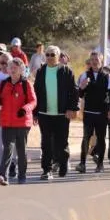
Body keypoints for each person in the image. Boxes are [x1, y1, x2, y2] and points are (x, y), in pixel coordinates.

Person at [33, 45, 79, 179]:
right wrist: (35, 112)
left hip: (62, 114)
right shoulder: (41, 71)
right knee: (45, 143)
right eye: (47, 55)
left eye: (52, 55)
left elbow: (74, 92)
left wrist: (72, 108)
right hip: (44, 114)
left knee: (61, 142)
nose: (49, 57)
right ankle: (46, 170)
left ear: (58, 56)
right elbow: (36, 92)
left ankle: (63, 162)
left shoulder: (66, 71)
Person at [0, 57, 37, 186]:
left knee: (21, 149)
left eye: (15, 67)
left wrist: (25, 109)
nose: (12, 69)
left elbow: (33, 101)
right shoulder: (3, 84)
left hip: (22, 123)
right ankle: (3, 175)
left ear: (21, 70)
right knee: (7, 148)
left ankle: (22, 175)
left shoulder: (26, 84)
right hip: (7, 122)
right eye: (10, 67)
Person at [76, 51, 110, 174]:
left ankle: (100, 164)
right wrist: (81, 87)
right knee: (86, 138)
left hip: (102, 113)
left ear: (101, 61)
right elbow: (80, 95)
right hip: (88, 112)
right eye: (92, 59)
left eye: (96, 59)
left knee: (101, 139)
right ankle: (82, 163)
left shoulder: (108, 76)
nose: (93, 61)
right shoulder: (84, 75)